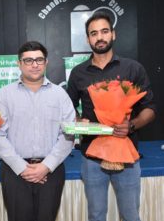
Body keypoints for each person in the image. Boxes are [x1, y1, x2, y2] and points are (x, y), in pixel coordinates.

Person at [67, 12, 156, 221]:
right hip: (92, 157)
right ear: (88, 39)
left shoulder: (133, 68)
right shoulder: (79, 73)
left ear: (113, 34)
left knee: (131, 215)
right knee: (96, 215)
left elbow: (150, 108)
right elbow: (67, 109)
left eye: (104, 31)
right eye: (94, 33)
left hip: (126, 155)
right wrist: (78, 121)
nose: (100, 37)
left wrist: (131, 125)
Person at [0, 41, 76, 221]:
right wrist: (22, 168)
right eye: (28, 61)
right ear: (19, 63)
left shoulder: (60, 95)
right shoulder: (4, 95)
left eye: (39, 60)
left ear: (46, 62)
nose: (34, 65)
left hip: (51, 171)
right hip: (15, 172)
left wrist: (46, 166)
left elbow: (69, 134)